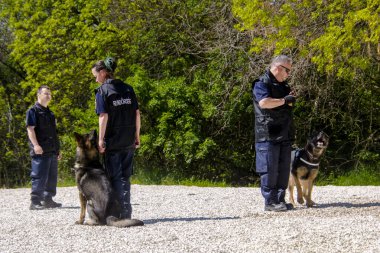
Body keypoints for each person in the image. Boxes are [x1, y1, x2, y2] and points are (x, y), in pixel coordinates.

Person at [92, 57, 141, 219]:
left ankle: (118, 213)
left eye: (96, 75)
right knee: (125, 177)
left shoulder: (102, 92)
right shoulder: (128, 89)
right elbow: (137, 113)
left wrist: (100, 139)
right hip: (128, 140)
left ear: (103, 72)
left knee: (115, 177)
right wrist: (137, 135)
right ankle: (127, 211)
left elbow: (103, 116)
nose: (96, 79)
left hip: (112, 141)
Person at [252, 55, 296, 212]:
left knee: (283, 169)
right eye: (287, 71)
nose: (288, 74)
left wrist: (290, 98)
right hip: (267, 134)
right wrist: (284, 101)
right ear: (278, 68)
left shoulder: (283, 86)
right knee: (269, 169)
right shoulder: (261, 83)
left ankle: (280, 200)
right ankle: (270, 202)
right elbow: (264, 103)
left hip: (284, 133)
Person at [26, 85, 62, 210]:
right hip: (40, 149)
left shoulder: (50, 113)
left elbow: (54, 133)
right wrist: (36, 145)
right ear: (39, 95)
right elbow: (30, 129)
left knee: (52, 176)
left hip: (51, 149)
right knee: (39, 175)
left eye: (49, 93)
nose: (49, 95)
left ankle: (48, 199)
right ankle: (35, 201)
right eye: (46, 93)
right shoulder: (33, 111)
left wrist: (57, 150)